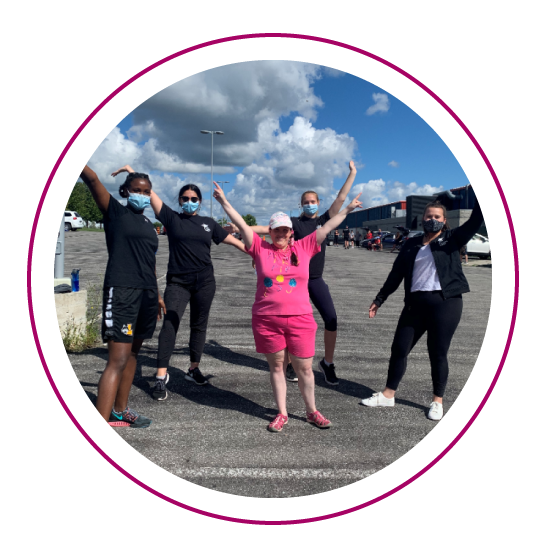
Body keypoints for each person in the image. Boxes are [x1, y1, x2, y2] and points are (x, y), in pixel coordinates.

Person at [213, 182, 362, 432]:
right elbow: (240, 223)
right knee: (277, 366)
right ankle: (282, 413)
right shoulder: (260, 249)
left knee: (304, 367)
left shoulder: (304, 247)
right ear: (269, 232)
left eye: (285, 230)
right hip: (267, 320)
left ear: (291, 232)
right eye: (276, 230)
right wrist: (224, 202)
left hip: (300, 319)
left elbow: (327, 226)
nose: (280, 234)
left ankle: (312, 411)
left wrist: (346, 210)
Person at [111, 166, 247, 401]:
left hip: (205, 282)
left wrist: (259, 256)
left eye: (194, 199)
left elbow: (236, 243)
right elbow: (150, 193)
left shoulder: (209, 223)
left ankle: (193, 369)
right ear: (180, 200)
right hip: (178, 282)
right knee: (170, 325)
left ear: (200, 202)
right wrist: (132, 171)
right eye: (185, 198)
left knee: (199, 325)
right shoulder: (172, 218)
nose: (189, 202)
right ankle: (161, 376)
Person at [224, 161, 358, 385]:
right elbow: (267, 229)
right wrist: (240, 229)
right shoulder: (293, 223)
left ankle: (328, 362)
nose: (309, 205)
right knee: (286, 320)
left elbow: (341, 200)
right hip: (293, 280)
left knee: (331, 318)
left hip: (314, 280)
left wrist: (352, 173)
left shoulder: (323, 221)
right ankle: (288, 365)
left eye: (313, 202)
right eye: (306, 202)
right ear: (301, 205)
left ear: (318, 203)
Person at [362, 198, 484, 420]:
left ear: (444, 221)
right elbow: (396, 274)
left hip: (446, 304)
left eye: (437, 217)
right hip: (415, 305)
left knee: (437, 352)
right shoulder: (412, 243)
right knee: (399, 348)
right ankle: (388, 395)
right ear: (422, 219)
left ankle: (437, 401)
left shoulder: (453, 238)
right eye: (429, 216)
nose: (433, 220)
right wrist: (380, 298)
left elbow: (476, 219)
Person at [79, 165, 166, 428]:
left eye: (146, 191)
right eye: (137, 190)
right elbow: (92, 179)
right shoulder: (115, 212)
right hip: (122, 292)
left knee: (133, 356)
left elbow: (149, 260)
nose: (141, 194)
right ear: (126, 191)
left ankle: (120, 410)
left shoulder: (150, 224)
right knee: (116, 360)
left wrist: (158, 294)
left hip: (147, 294)